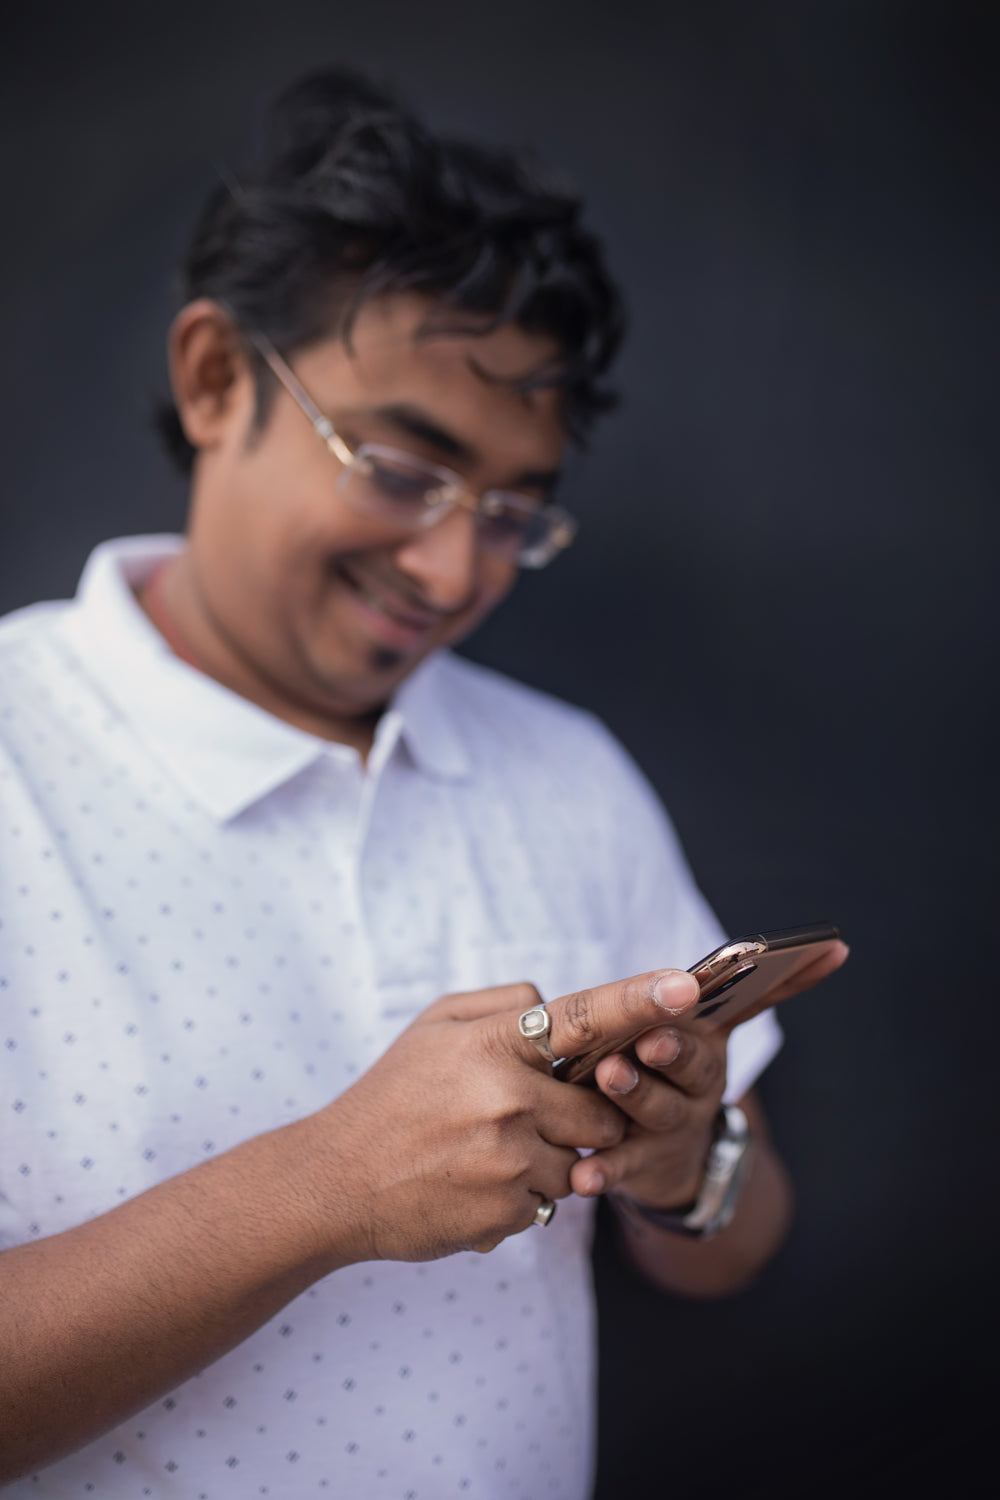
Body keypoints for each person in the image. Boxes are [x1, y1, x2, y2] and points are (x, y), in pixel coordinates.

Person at [0, 68, 846, 1497]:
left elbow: (739, 1239)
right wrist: (328, 1186)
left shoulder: (566, 773)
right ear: (215, 379)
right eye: (400, 467)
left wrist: (681, 1156)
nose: (454, 573)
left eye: (514, 513)